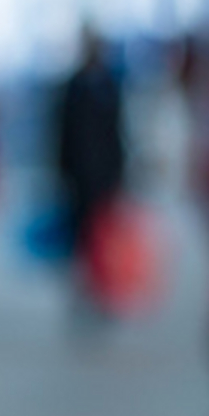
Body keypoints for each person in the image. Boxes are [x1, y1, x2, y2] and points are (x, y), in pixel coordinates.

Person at [53, 28, 128, 325]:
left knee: (103, 240)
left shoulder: (109, 84)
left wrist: (121, 173)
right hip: (78, 178)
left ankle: (102, 292)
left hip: (104, 177)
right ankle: (85, 293)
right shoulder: (73, 86)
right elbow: (61, 134)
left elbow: (118, 133)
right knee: (81, 241)